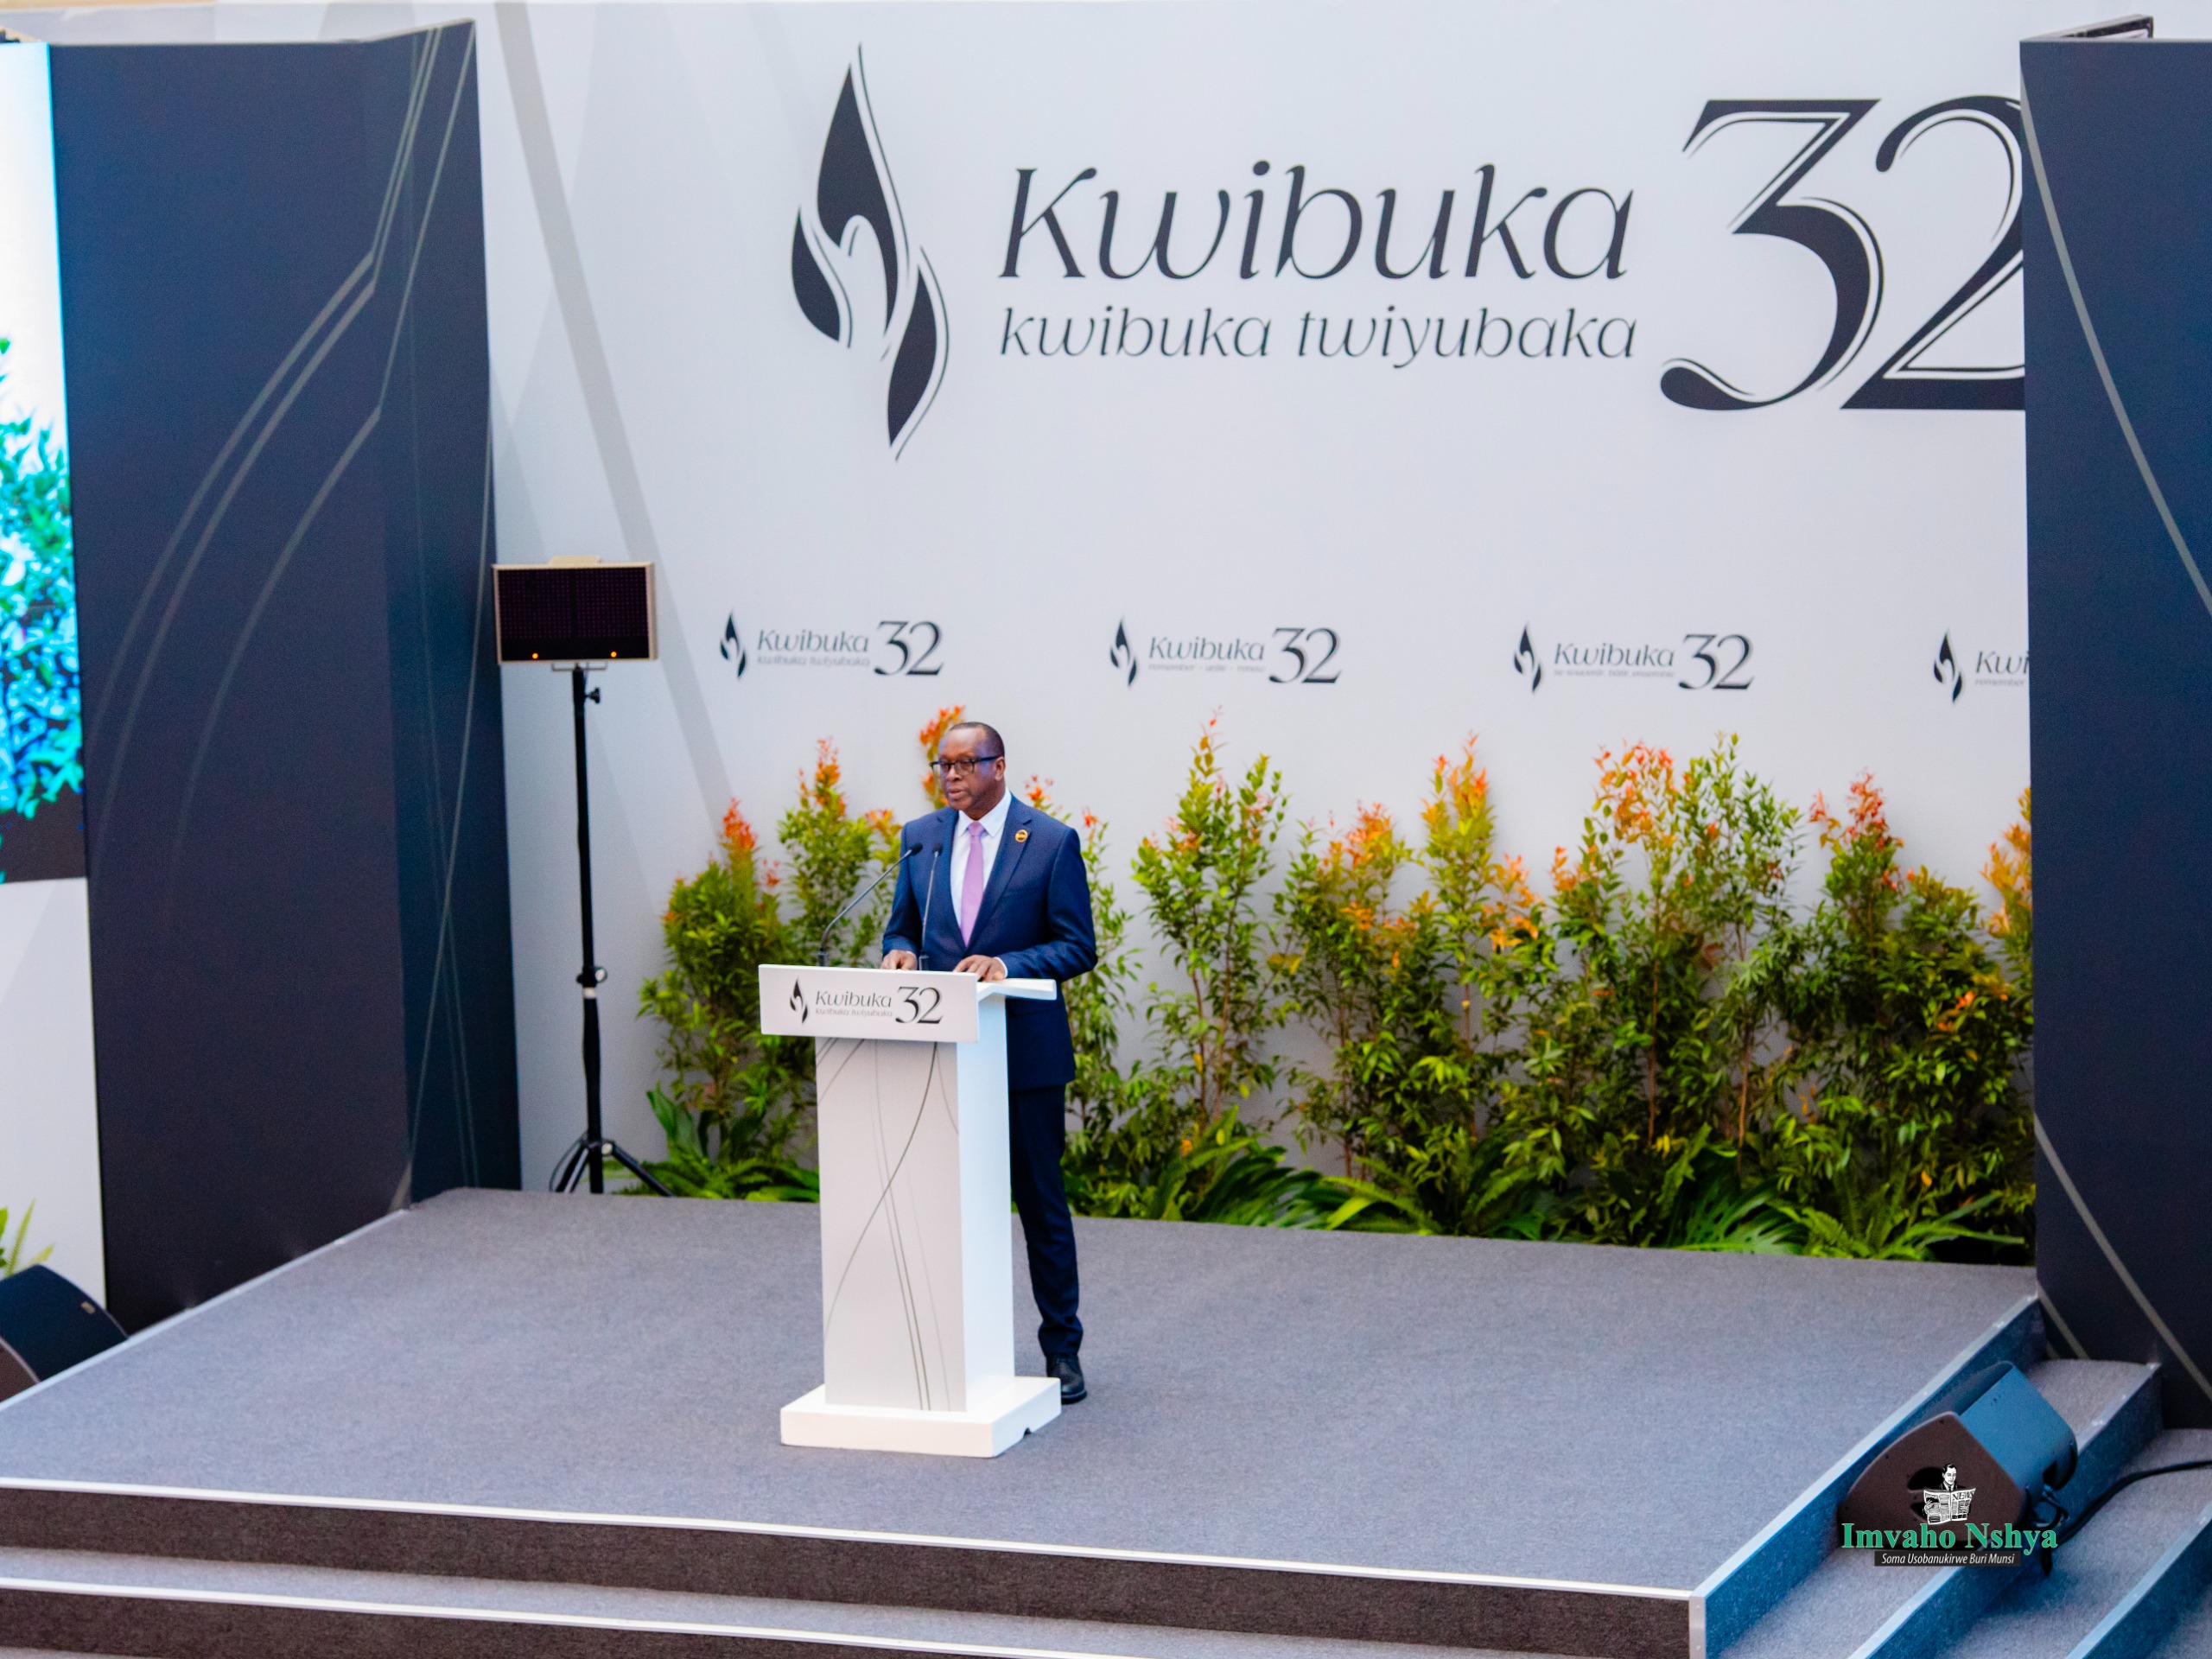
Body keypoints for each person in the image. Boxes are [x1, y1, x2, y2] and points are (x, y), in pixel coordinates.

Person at [880, 721, 1097, 1403]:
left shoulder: (1051, 842)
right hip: (941, 1054)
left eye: (964, 764)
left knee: (1040, 1208)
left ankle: (1061, 1350)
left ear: (998, 766)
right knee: (940, 1206)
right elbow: (902, 924)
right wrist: (898, 950)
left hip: (1024, 1057)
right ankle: (942, 1349)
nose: (950, 776)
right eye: (942, 765)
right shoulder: (922, 838)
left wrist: (1007, 965)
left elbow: (1078, 946)